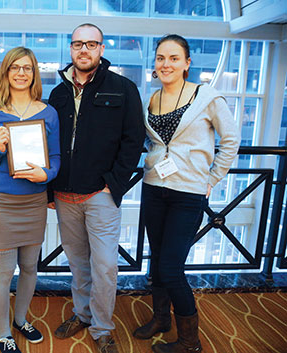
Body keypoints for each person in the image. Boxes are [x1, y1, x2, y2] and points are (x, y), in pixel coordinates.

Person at [133, 34, 240, 353]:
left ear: (187, 63)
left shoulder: (206, 97)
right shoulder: (150, 99)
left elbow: (231, 140)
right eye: (161, 58)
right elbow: (152, 143)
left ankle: (190, 341)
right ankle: (161, 319)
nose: (166, 64)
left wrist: (213, 177)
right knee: (157, 261)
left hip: (188, 194)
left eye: (174, 58)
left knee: (171, 267)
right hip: (153, 188)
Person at [48, 23, 145, 353]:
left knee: (104, 266)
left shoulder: (123, 88)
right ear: (71, 49)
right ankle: (83, 313)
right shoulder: (59, 91)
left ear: (102, 49)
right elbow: (49, 142)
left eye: (91, 44)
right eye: (77, 44)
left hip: (100, 195)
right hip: (64, 195)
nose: (84, 50)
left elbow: (133, 141)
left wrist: (113, 185)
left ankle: (102, 328)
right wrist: (50, 190)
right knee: (78, 263)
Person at [0, 46, 60, 353]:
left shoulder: (48, 113)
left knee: (30, 268)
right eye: (15, 68)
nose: (21, 73)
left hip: (35, 202)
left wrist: (46, 176)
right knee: (4, 271)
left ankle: (21, 319)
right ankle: (5, 333)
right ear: (6, 72)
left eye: (28, 68)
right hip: (3, 204)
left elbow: (57, 158)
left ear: (34, 73)